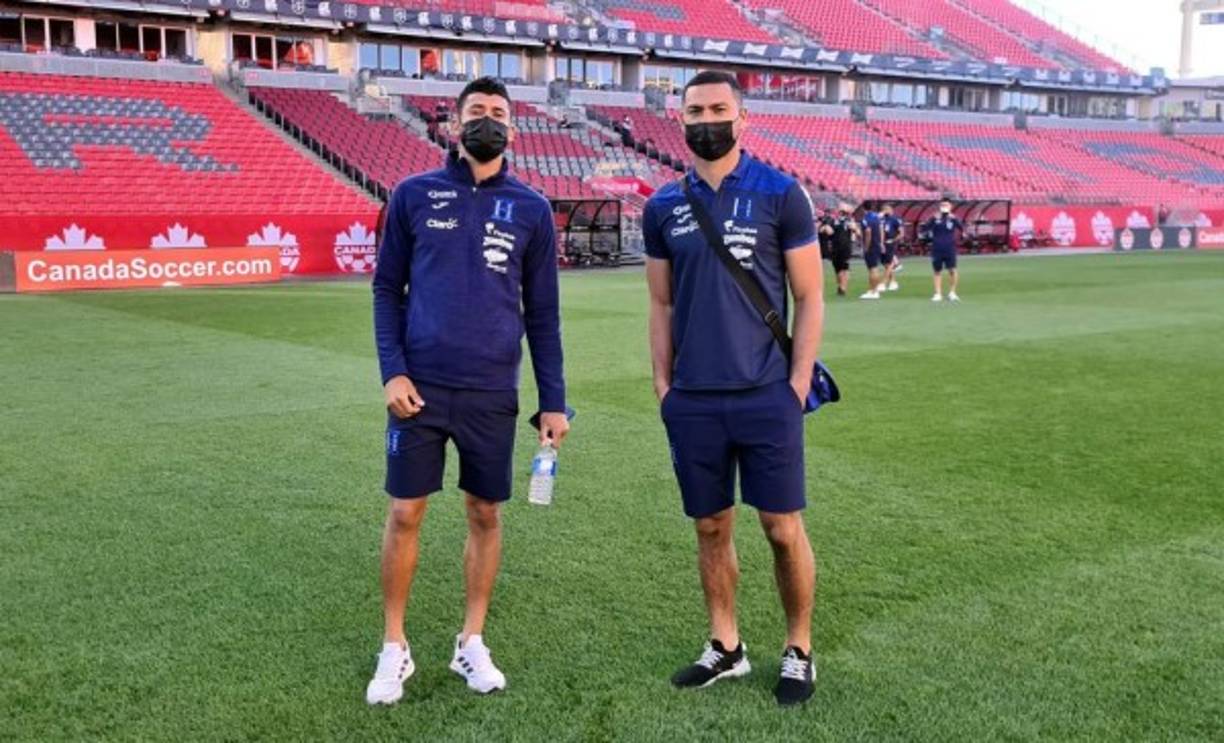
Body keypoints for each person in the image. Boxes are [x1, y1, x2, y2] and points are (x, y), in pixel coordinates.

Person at [367, 76, 571, 705]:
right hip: (419, 391)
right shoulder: (412, 195)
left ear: (513, 129)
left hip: (492, 391)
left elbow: (543, 313)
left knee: (485, 514)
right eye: (476, 112)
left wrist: (554, 398)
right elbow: (385, 291)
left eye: (499, 113)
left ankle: (470, 641)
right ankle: (394, 647)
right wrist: (392, 371)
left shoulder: (533, 208)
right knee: (406, 512)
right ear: (454, 126)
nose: (488, 120)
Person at [643, 70, 824, 706]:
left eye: (720, 109)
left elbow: (808, 295)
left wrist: (797, 383)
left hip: (766, 394)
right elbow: (660, 304)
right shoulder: (662, 206)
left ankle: (798, 648)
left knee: (781, 526)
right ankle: (727, 646)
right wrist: (664, 385)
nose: (708, 120)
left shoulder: (781, 194)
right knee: (711, 527)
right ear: (682, 119)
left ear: (742, 118)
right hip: (693, 399)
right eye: (696, 111)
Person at [923, 198, 963, 302]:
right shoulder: (935, 218)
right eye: (942, 205)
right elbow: (924, 230)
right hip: (937, 248)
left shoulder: (953, 218)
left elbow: (962, 228)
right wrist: (932, 218)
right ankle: (938, 293)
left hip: (950, 248)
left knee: (952, 270)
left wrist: (954, 218)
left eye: (946, 205)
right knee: (937, 271)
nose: (944, 207)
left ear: (950, 207)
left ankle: (952, 292)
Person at [819, 201, 857, 297]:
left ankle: (842, 288)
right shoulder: (833, 220)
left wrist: (854, 230)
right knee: (840, 269)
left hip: (842, 247)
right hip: (838, 247)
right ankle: (841, 286)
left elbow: (856, 231)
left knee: (843, 268)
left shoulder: (847, 220)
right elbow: (827, 231)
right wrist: (825, 228)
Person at [859, 206, 884, 300]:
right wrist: (881, 242)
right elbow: (881, 229)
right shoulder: (876, 217)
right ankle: (871, 290)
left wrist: (866, 247)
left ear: (863, 209)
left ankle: (874, 291)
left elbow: (868, 232)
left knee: (873, 269)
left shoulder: (865, 219)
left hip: (871, 247)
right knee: (873, 268)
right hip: (877, 244)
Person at [879, 203, 902, 292]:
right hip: (882, 243)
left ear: (891, 210)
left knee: (889, 263)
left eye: (886, 209)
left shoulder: (895, 219)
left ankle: (883, 283)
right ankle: (893, 282)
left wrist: (893, 240)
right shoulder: (882, 219)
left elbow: (901, 233)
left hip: (890, 243)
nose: (885, 211)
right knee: (885, 263)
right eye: (883, 209)